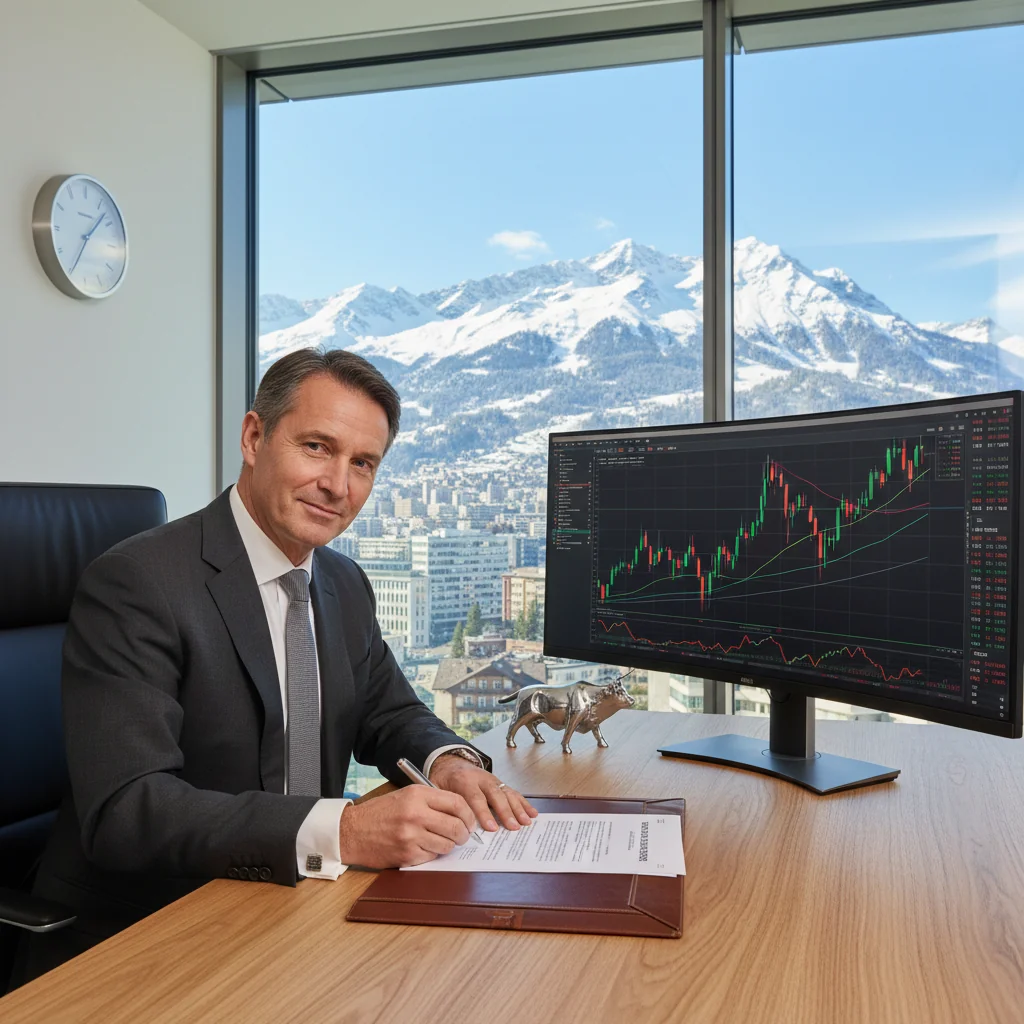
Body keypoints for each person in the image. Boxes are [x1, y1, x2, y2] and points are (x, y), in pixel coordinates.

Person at [21, 347, 536, 981]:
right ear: (254, 436)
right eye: (317, 447)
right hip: (145, 934)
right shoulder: (137, 583)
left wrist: (446, 761)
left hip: (291, 913)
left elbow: (388, 710)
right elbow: (128, 809)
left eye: (363, 464)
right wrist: (343, 831)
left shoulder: (343, 582)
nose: (338, 486)